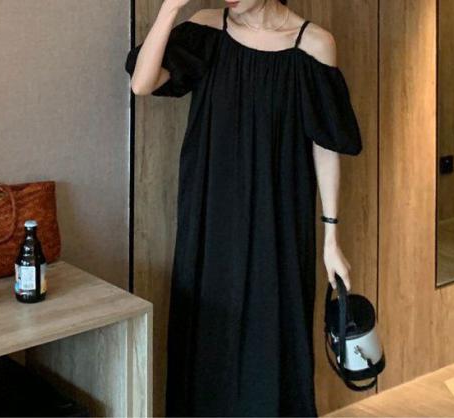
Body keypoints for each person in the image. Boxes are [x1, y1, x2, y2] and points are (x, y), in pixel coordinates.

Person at [124, 0, 362, 416]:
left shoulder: (313, 44)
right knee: (209, 332)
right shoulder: (208, 29)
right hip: (211, 211)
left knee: (272, 330)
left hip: (279, 215)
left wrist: (331, 236)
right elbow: (143, 83)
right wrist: (169, 9)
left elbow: (325, 145)